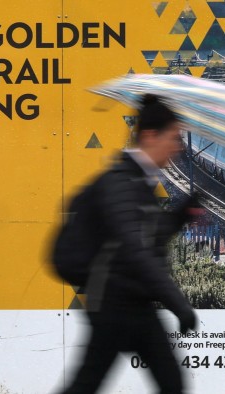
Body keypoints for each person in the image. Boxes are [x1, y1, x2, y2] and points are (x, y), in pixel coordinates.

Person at [62, 94, 199, 394]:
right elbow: (136, 250)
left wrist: (182, 214)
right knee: (84, 387)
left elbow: (149, 237)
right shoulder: (121, 183)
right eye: (174, 138)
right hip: (113, 307)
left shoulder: (139, 181)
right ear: (150, 136)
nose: (178, 148)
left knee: (172, 385)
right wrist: (179, 304)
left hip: (136, 305)